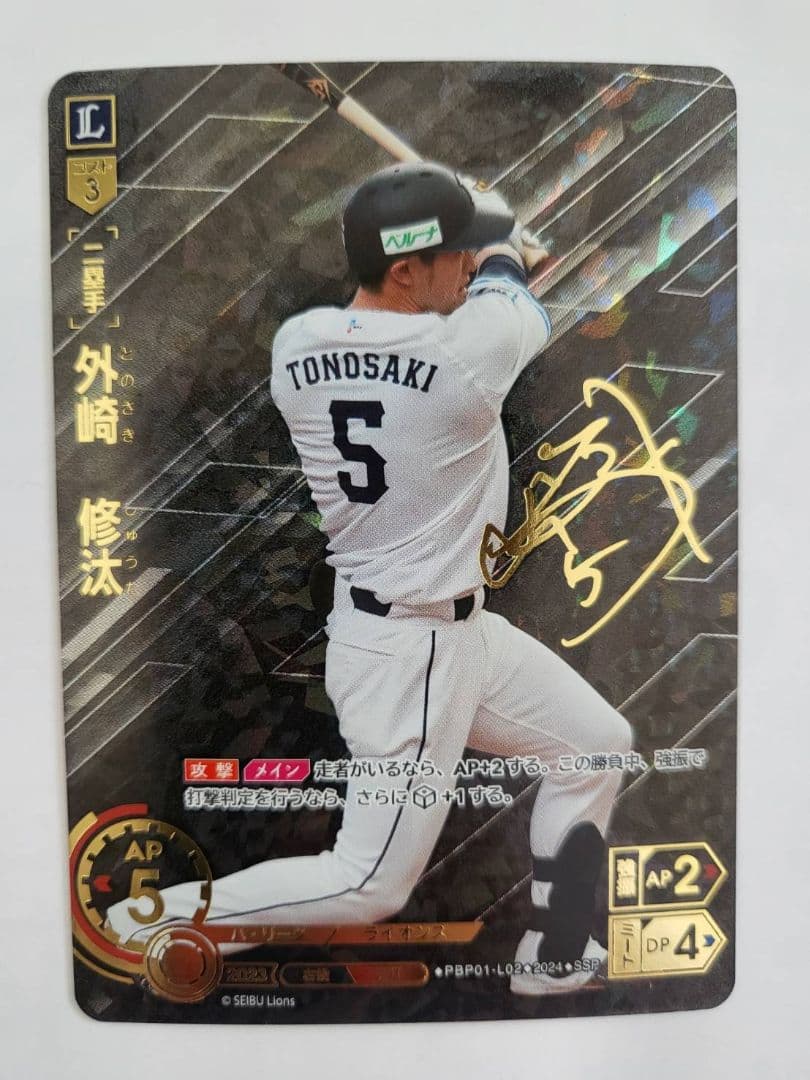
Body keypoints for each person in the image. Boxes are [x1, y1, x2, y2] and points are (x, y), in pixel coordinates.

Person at [107, 162, 632, 996]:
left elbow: (482, 281)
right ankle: (149, 924)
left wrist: (468, 231)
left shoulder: (299, 347)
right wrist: (499, 243)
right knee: (370, 884)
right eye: (450, 255)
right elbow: (508, 281)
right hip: (411, 653)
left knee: (596, 742)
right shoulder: (464, 357)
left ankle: (560, 951)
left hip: (443, 631)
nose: (464, 267)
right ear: (405, 271)